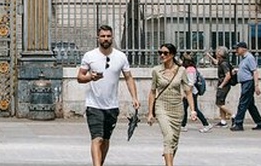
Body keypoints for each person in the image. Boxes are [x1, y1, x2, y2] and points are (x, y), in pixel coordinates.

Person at [77, 25, 140, 166]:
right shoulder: (90, 56)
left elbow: (129, 77)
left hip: (112, 106)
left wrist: (134, 97)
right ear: (98, 38)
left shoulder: (120, 56)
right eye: (103, 36)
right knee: (97, 138)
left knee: (105, 140)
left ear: (112, 37)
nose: (105, 39)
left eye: (108, 36)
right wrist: (90, 78)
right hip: (93, 105)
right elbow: (80, 77)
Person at [147, 43, 196, 166]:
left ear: (172, 54)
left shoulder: (181, 70)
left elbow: (188, 91)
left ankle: (168, 158)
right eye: (160, 53)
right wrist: (150, 113)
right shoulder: (156, 70)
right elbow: (152, 92)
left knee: (174, 140)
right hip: (161, 107)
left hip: (177, 108)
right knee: (168, 136)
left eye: (165, 53)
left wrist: (193, 110)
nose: (162, 55)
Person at [230, 42, 261, 131]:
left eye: (237, 48)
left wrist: (256, 85)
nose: (236, 51)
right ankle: (260, 123)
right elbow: (246, 70)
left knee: (242, 103)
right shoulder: (244, 59)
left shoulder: (249, 58)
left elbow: (254, 71)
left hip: (248, 83)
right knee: (250, 105)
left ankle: (238, 123)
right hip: (245, 83)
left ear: (243, 49)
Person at [180, 54, 212, 132]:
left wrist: (186, 93)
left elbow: (191, 83)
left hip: (191, 93)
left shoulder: (190, 69)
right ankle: (182, 125)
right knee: (185, 108)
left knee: (194, 109)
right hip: (189, 92)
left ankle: (206, 124)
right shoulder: (188, 69)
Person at [206, 46, 234, 127]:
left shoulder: (224, 63)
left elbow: (228, 76)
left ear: (220, 54)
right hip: (223, 85)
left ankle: (234, 115)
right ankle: (223, 121)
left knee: (219, 103)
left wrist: (222, 85)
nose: (216, 52)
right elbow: (216, 62)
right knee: (221, 102)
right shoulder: (222, 61)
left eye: (217, 51)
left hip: (224, 85)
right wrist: (210, 57)